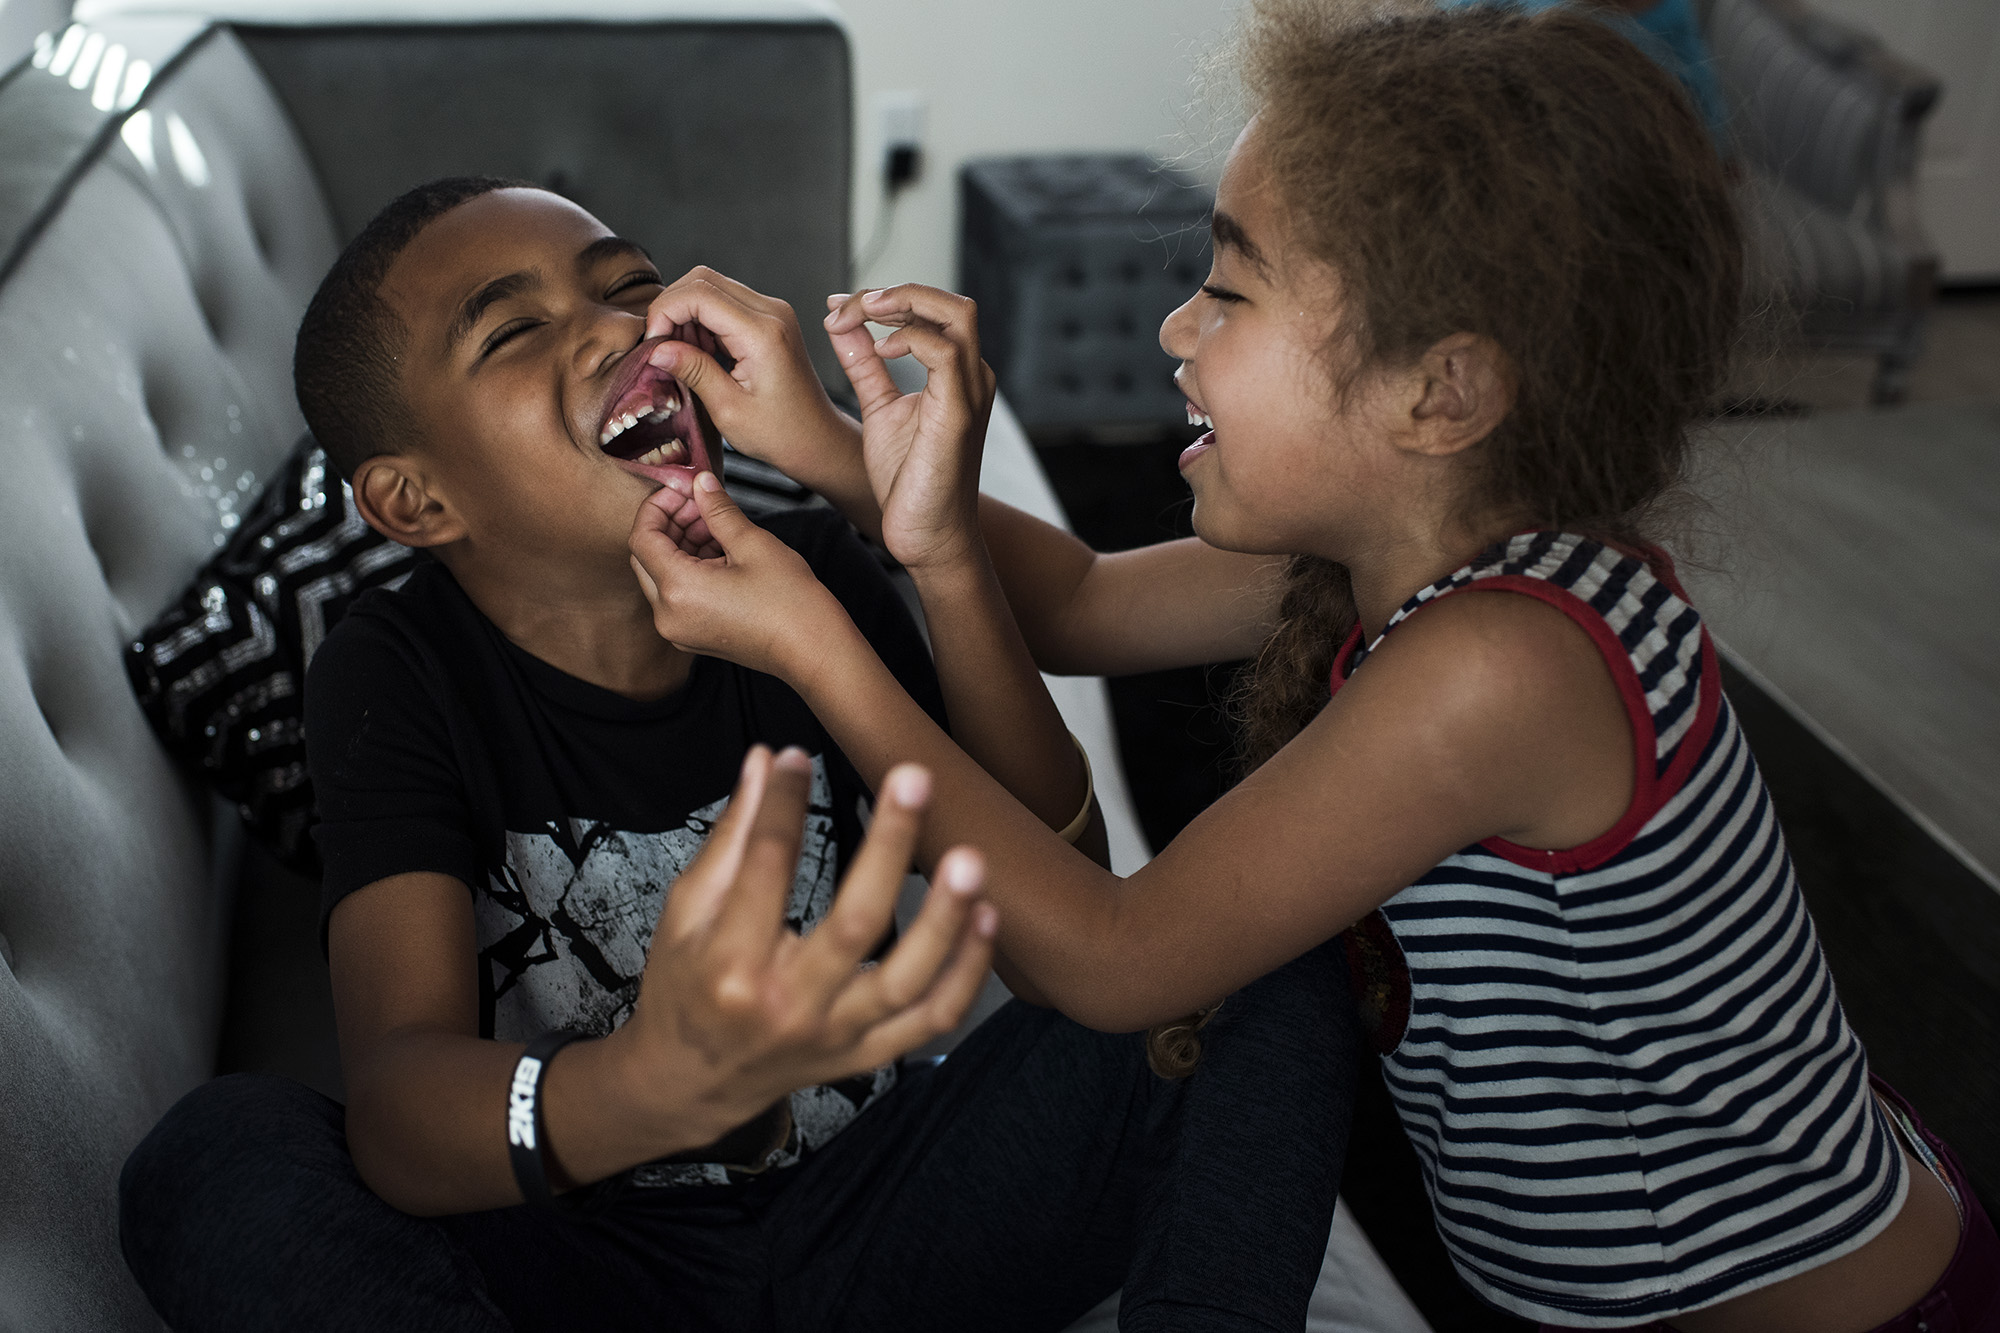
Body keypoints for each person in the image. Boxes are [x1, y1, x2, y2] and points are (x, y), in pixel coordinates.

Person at [626, 3, 1996, 1331]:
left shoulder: (1501, 666)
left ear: (1441, 393)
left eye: (1227, 291)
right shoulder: (1420, 548)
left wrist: (819, 643)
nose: (1175, 329)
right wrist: (829, 448)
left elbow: (1118, 959)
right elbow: (1083, 605)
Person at [116, 178, 1360, 1332]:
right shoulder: (394, 672)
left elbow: (1066, 946)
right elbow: (397, 1109)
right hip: (587, 1258)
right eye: (512, 333)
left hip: (882, 1213)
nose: (613, 330)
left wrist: (936, 558)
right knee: (216, 1153)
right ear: (417, 502)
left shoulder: (811, 563)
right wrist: (648, 1085)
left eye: (624, 284)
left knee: (1257, 954)